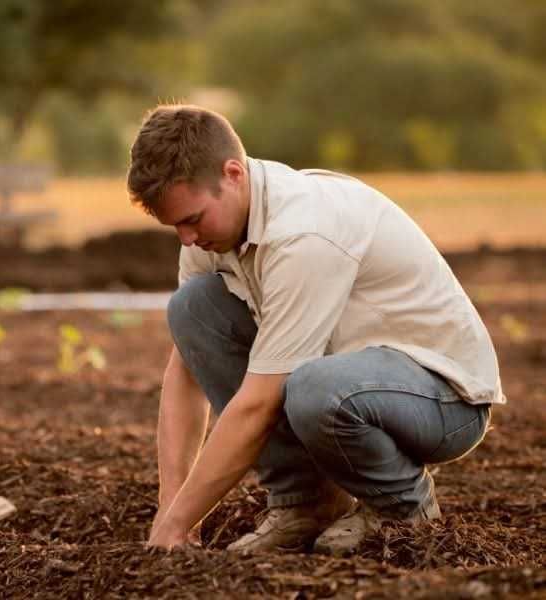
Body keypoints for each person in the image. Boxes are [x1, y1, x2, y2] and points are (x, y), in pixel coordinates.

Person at [127, 104, 504, 556]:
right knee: (192, 309)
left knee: (313, 388)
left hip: (445, 398)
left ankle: (401, 507)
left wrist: (182, 519)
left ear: (233, 174)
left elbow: (259, 405)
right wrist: (170, 512)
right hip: (349, 379)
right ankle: (306, 503)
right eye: (175, 227)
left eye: (192, 219)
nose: (186, 239)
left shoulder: (303, 233)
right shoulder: (212, 236)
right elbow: (187, 370)